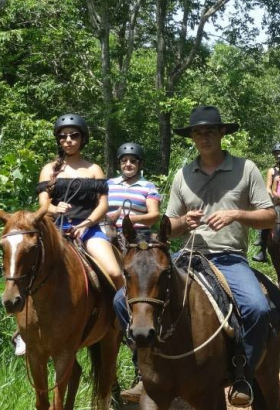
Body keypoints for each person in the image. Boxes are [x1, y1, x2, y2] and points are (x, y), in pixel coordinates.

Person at [166, 105, 276, 407]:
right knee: (125, 300)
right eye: (198, 132)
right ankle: (145, 372)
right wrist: (183, 222)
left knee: (258, 308)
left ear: (222, 133)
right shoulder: (182, 175)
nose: (204, 137)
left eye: (210, 131)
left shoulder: (246, 168)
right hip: (187, 257)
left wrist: (237, 214)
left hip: (229, 258)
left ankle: (243, 373)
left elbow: (269, 218)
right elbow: (169, 226)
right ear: (191, 137)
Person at [12, 113, 125, 356]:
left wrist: (86, 223)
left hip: (88, 229)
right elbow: (43, 203)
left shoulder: (93, 169)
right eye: (63, 137)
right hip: (55, 232)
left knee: (115, 271)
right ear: (58, 141)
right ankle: (23, 330)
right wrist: (54, 208)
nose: (68, 140)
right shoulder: (49, 170)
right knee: (27, 269)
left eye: (74, 136)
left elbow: (103, 205)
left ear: (82, 139)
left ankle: (124, 319)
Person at [109, 142, 161, 403]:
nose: (128, 164)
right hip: (111, 235)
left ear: (140, 164)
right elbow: (102, 212)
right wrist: (113, 218)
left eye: (133, 161)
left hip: (139, 239)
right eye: (124, 161)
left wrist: (131, 220)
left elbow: (154, 215)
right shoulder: (110, 184)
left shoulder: (148, 187)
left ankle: (141, 357)